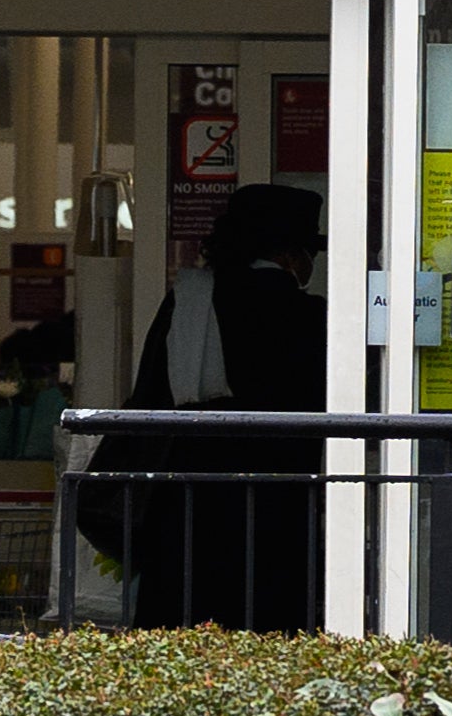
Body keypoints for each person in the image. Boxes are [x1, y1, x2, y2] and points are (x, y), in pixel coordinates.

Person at [102, 180, 329, 629]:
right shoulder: (308, 316)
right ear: (292, 254)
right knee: (267, 622)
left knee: (181, 618)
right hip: (278, 503)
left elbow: (149, 392)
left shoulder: (187, 301)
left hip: (185, 500)